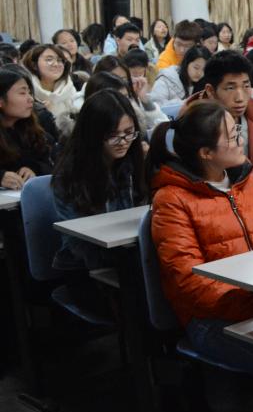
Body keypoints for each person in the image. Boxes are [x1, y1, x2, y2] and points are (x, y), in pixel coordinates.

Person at [147, 101, 253, 412]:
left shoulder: (246, 181)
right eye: (232, 135)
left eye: (237, 129)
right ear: (206, 153)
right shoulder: (172, 200)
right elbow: (189, 282)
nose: (241, 138)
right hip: (211, 320)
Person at [52, 90, 147, 271]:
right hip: (84, 264)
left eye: (129, 133)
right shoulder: (69, 175)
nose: (123, 141)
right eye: (113, 135)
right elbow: (77, 242)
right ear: (93, 134)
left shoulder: (132, 162)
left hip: (128, 254)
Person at [185, 50, 253, 185]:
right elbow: (203, 178)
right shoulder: (193, 124)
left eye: (246, 86)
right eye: (230, 88)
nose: (240, 98)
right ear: (210, 91)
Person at [0, 68, 56, 188]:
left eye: (29, 93)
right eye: (22, 93)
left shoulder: (34, 132)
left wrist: (34, 170)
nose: (30, 99)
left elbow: (54, 164)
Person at [22, 44, 76, 122]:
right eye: (49, 60)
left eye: (60, 60)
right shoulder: (26, 91)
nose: (56, 64)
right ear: (34, 65)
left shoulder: (69, 88)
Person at [122, 49, 170, 132]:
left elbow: (162, 123)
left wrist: (144, 98)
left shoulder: (150, 81)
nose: (137, 78)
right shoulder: (122, 90)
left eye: (140, 74)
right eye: (133, 74)